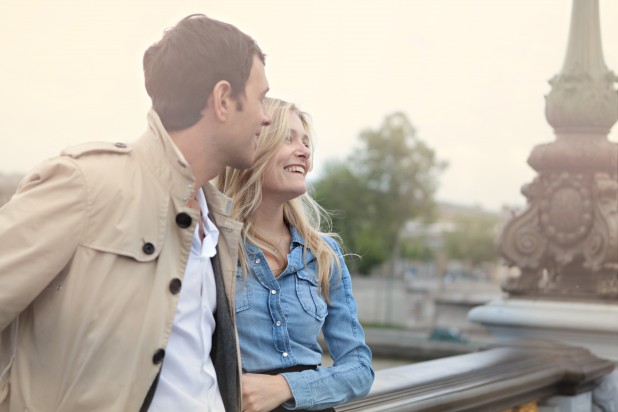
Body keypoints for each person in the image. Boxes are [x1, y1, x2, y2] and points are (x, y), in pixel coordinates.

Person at [0, 14, 270, 412]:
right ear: (223, 99)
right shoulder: (86, 183)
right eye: (262, 98)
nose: (267, 116)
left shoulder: (217, 221)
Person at [217, 98, 374, 412]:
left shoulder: (324, 254)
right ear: (251, 147)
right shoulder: (214, 246)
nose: (304, 151)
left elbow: (360, 368)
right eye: (287, 139)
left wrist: (285, 387)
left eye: (305, 142)